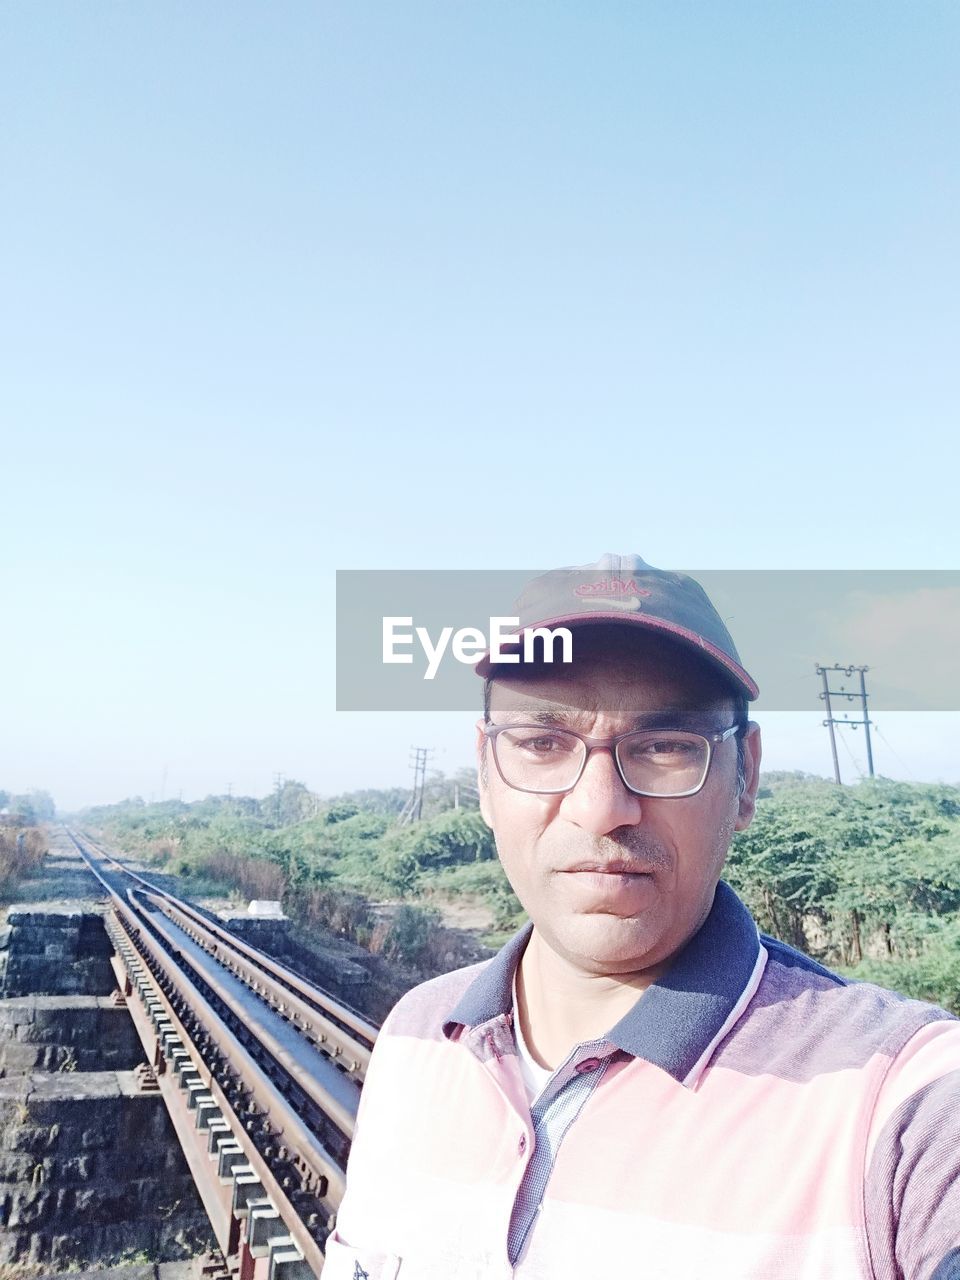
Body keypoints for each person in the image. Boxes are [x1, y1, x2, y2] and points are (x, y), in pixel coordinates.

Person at [324, 555, 960, 1280]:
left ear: (744, 778)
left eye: (664, 748)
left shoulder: (895, 1099)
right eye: (541, 744)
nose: (600, 808)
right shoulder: (417, 1035)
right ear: (484, 774)